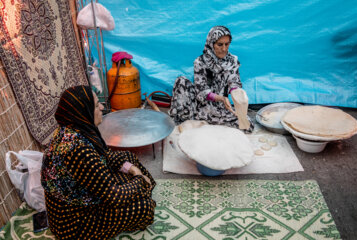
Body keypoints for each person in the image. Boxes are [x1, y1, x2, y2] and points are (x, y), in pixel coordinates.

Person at [41, 85, 156, 239]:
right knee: (144, 207)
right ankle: (144, 191)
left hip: (84, 194)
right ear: (84, 112)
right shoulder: (77, 150)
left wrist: (132, 169)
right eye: (96, 105)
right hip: (74, 222)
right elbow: (114, 196)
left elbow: (105, 156)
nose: (102, 107)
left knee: (128, 158)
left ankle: (142, 188)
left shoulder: (73, 129)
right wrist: (140, 180)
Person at [169, 26, 253, 132]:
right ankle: (191, 117)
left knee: (248, 126)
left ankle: (204, 120)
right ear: (211, 43)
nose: (224, 49)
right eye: (220, 44)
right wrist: (221, 98)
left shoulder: (232, 60)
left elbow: (233, 81)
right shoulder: (200, 62)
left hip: (220, 107)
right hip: (201, 105)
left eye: (227, 44)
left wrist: (237, 93)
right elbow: (201, 92)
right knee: (181, 81)